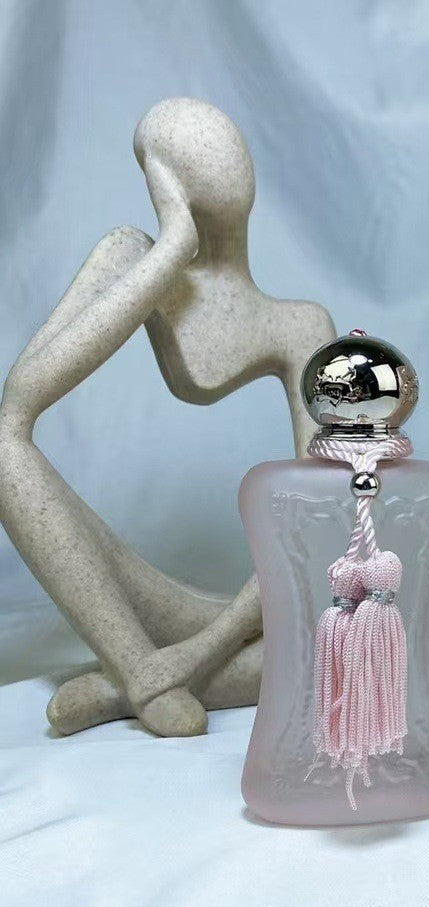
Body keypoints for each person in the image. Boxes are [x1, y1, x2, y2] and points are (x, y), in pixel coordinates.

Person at [0, 98, 335, 736]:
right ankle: (137, 669)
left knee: (324, 650)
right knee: (2, 446)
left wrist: (197, 652)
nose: (229, 165)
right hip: (164, 605)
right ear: (162, 179)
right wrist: (173, 247)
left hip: (257, 612)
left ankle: (127, 685)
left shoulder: (300, 325)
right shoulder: (132, 258)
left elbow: (316, 516)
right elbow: (19, 401)